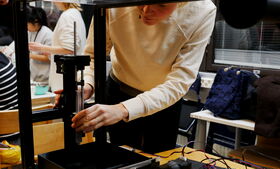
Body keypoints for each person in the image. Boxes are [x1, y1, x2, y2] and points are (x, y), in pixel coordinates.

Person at [71, 1, 217, 153]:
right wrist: (88, 83)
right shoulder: (112, 3)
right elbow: (94, 55)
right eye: (141, 0)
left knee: (160, 162)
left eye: (161, 5)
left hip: (164, 101)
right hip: (119, 89)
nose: (147, 10)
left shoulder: (202, 11)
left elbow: (178, 82)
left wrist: (123, 110)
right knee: (118, 158)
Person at [29, 2, 86, 91]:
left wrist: (41, 47)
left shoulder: (68, 16)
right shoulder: (74, 13)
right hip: (68, 76)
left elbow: (68, 48)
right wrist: (50, 51)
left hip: (65, 78)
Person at [27, 6, 53, 85]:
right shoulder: (30, 32)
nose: (26, 26)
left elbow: (49, 58)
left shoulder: (47, 34)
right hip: (34, 75)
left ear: (36, 22)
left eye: (27, 24)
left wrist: (30, 56)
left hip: (45, 78)